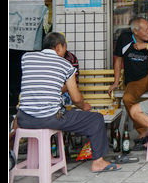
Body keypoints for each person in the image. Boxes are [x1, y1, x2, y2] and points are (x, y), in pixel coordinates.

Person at [16, 32, 120, 173]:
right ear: (59, 47)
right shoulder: (65, 65)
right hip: (50, 118)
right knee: (96, 119)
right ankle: (98, 162)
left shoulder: (26, 58)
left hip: (24, 119)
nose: (65, 52)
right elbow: (76, 98)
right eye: (65, 48)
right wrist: (84, 106)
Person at [108, 17, 148, 149]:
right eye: (146, 30)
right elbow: (118, 60)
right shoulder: (124, 39)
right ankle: (143, 131)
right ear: (136, 31)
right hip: (135, 82)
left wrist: (147, 46)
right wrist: (116, 81)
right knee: (127, 98)